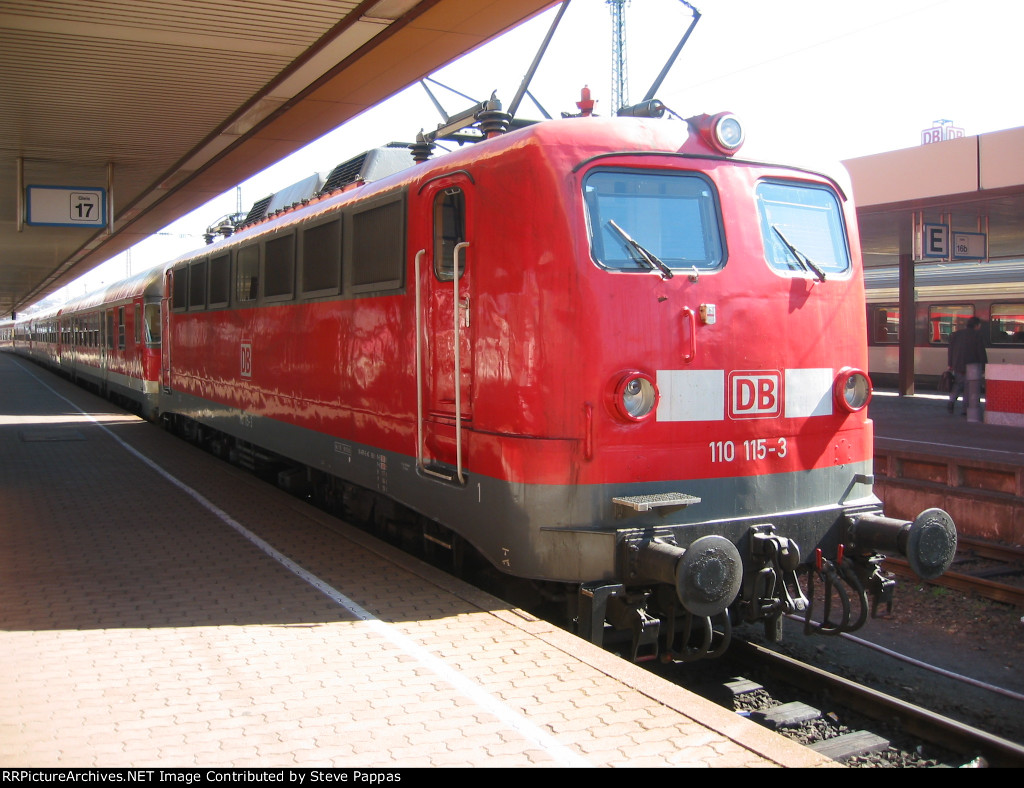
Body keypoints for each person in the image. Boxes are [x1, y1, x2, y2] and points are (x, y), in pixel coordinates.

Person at [946, 316, 987, 414]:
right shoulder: (977, 335)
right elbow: (981, 352)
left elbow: (950, 350)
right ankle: (965, 410)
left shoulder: (957, 334)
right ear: (976, 325)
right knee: (968, 389)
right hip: (972, 366)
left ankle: (951, 401)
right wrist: (984, 367)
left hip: (958, 365)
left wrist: (950, 364)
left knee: (958, 384)